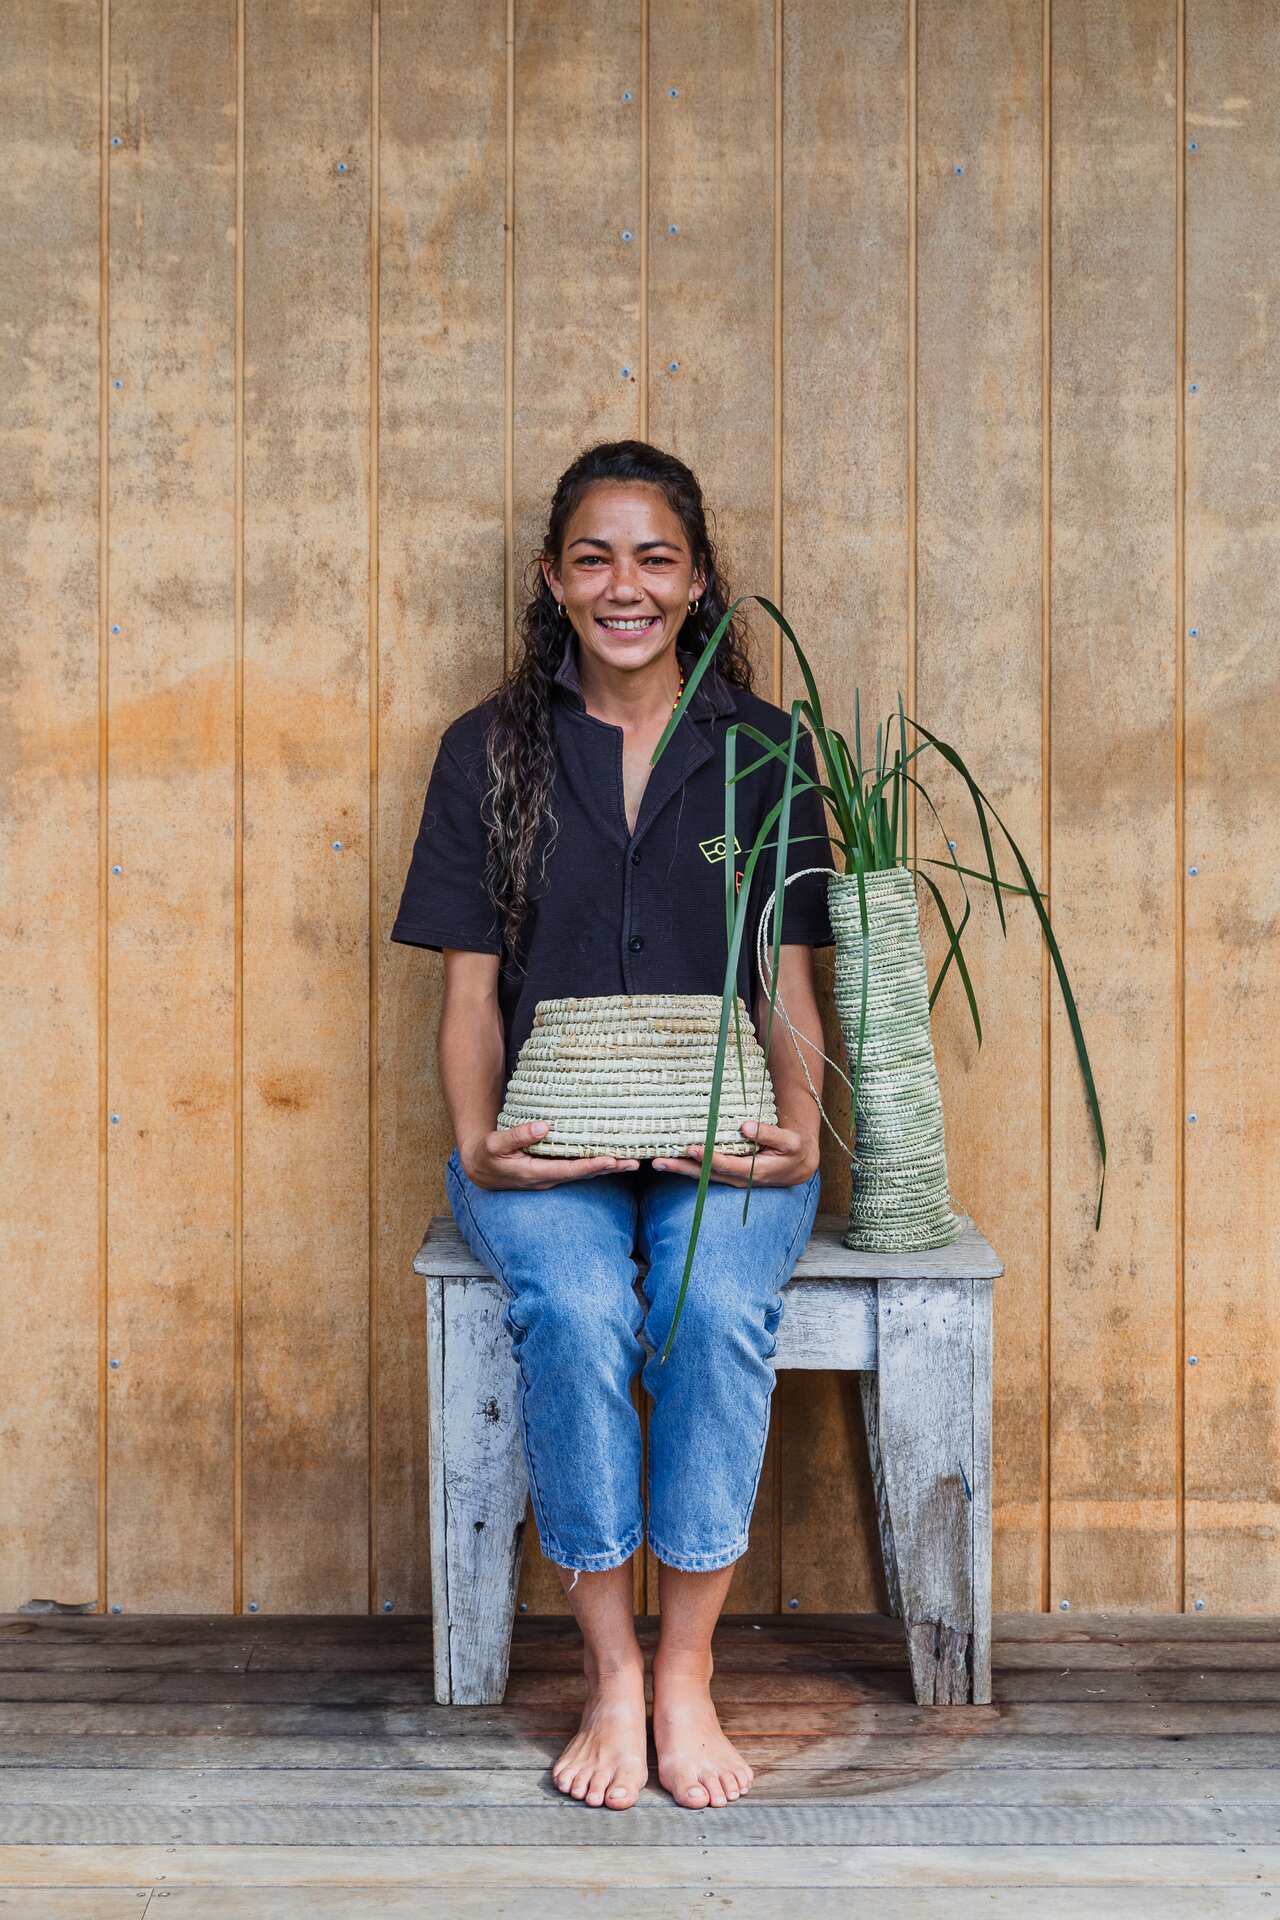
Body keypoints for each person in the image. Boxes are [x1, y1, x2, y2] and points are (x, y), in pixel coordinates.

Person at [390, 439, 835, 1812]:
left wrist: (799, 1133)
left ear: (699, 580)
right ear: (552, 578)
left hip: (731, 1138)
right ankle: (611, 1673)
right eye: (594, 557)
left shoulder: (765, 751)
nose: (623, 584)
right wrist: (479, 1146)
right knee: (577, 1309)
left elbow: (789, 979)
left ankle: (687, 1666)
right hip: (544, 1137)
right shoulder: (490, 750)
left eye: (654, 556)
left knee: (707, 1312)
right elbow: (470, 992)